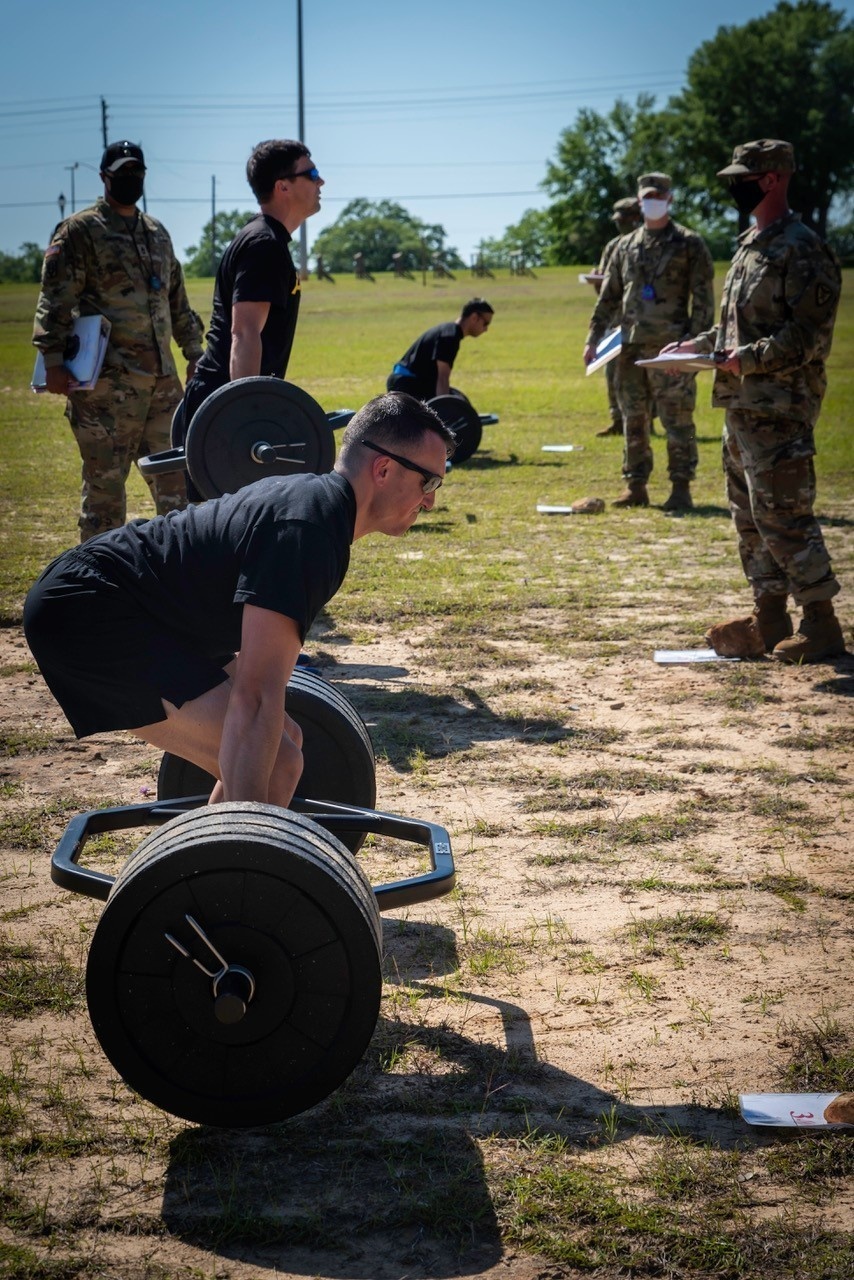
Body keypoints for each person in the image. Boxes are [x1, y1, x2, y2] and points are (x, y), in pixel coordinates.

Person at [23, 393, 455, 807]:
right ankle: (225, 872)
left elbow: (259, 694)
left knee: (285, 742)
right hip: (90, 608)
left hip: (130, 606)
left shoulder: (321, 512)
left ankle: (203, 872)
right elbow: (256, 695)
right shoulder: (311, 529)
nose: (431, 500)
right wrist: (253, 842)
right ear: (383, 469)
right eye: (428, 480)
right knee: (277, 765)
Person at [661, 139, 845, 663]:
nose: (733, 185)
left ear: (771, 179)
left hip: (779, 407)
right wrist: (695, 347)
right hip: (740, 406)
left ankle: (821, 624)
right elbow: (730, 329)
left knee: (784, 516)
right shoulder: (750, 244)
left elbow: (810, 335)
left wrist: (749, 358)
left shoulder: (801, 246)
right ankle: (769, 615)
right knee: (750, 518)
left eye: (743, 176)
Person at [33, 141, 204, 541]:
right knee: (105, 491)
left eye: (137, 173)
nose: (131, 180)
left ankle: (181, 573)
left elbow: (176, 300)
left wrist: (194, 351)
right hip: (107, 390)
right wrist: (53, 359)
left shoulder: (156, 233)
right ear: (104, 177)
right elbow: (56, 297)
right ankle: (96, 579)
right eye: (123, 173)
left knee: (176, 486)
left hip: (163, 386)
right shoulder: (79, 231)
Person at [179, 139, 324, 454]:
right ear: (282, 187)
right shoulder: (263, 244)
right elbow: (244, 333)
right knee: (221, 505)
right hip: (225, 408)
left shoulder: (269, 241)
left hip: (227, 401)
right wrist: (245, 414)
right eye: (311, 173)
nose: (320, 181)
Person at [583, 173, 714, 510]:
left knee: (676, 418)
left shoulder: (689, 243)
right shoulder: (625, 246)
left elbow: (703, 302)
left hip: (671, 349)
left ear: (669, 199)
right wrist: (593, 338)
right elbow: (609, 297)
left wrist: (696, 346)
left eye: (660, 194)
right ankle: (635, 484)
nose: (653, 200)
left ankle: (681, 486)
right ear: (639, 201)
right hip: (629, 347)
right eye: (647, 195)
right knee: (633, 417)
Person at [587, 196, 642, 438]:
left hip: (643, 323)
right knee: (612, 373)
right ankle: (617, 420)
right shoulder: (613, 247)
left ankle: (645, 421)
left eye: (624, 220)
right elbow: (605, 291)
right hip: (615, 323)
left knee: (642, 375)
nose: (620, 225)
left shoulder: (648, 245)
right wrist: (596, 281)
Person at [386, 298, 494, 401]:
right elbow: (442, 378)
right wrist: (445, 410)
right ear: (474, 317)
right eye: (485, 323)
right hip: (406, 385)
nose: (486, 329)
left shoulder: (450, 331)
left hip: (410, 382)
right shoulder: (449, 337)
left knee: (456, 398)